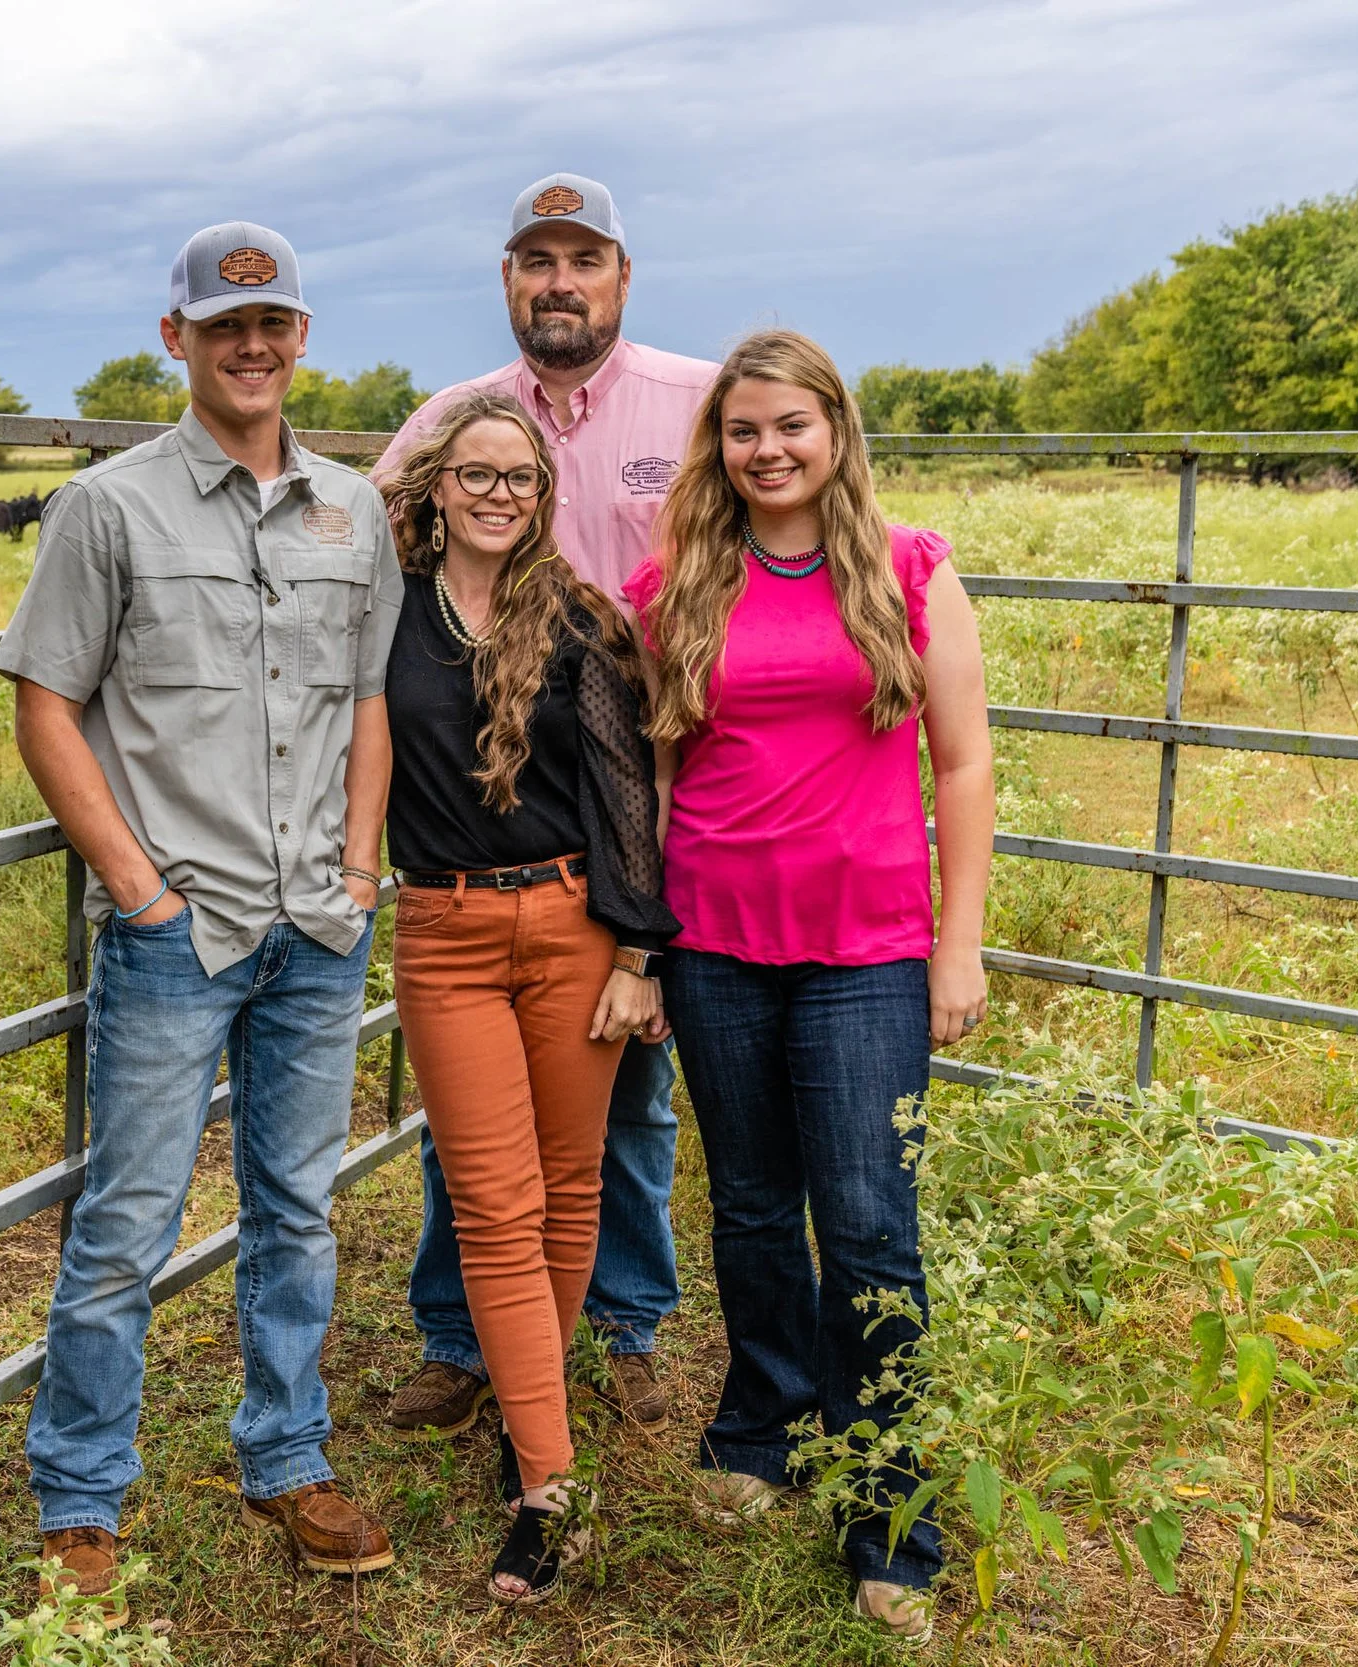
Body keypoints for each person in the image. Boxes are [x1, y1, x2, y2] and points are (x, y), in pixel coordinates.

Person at [0, 221, 403, 1609]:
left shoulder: (355, 511)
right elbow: (46, 701)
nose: (252, 344)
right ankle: (82, 1494)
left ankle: (288, 1455)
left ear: (301, 336)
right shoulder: (106, 509)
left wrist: (358, 872)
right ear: (175, 338)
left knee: (298, 1207)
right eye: (224, 324)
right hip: (183, 925)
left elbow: (368, 700)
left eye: (275, 322)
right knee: (129, 1217)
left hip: (316, 925)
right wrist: (136, 884)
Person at [623, 328, 995, 1645]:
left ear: (835, 430)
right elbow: (662, 773)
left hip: (867, 949)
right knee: (755, 1208)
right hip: (718, 937)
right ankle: (763, 1425)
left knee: (871, 1223)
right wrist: (649, 946)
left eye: (791, 425)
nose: (767, 449)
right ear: (718, 447)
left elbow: (960, 763)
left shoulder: (909, 568)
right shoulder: (676, 582)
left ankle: (890, 1508)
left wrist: (959, 940)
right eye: (742, 430)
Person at [372, 172, 718, 1438]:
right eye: (535, 261)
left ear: (622, 276)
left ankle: (619, 1323)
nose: (558, 281)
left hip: (639, 782)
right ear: (508, 281)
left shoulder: (693, 407)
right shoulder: (446, 422)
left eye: (582, 258)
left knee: (623, 1094)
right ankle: (465, 1337)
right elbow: (371, 559)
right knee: (464, 1123)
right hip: (473, 829)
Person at [378, 389, 680, 1603]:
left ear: (541, 495)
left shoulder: (580, 622)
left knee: (569, 1188)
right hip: (443, 930)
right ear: (436, 486)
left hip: (571, 926)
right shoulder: (386, 615)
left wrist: (636, 956)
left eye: (521, 478)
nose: (499, 493)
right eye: (477, 474)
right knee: (494, 1202)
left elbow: (627, 793)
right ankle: (553, 1488)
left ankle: (530, 1426)